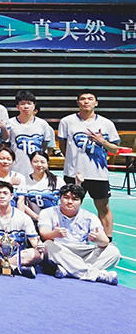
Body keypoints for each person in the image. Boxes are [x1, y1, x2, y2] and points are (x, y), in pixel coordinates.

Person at [57, 91, 121, 234]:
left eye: (90, 99)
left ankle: (107, 239)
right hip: (74, 173)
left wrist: (102, 141)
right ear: (78, 102)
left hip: (98, 174)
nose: (86, 101)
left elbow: (115, 149)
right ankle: (68, 237)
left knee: (103, 207)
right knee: (68, 207)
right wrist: (72, 161)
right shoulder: (67, 121)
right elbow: (63, 145)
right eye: (83, 99)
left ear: (96, 103)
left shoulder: (106, 123)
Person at [38, 183, 120, 285]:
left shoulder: (90, 217)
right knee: (48, 245)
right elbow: (44, 234)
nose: (70, 202)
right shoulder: (47, 213)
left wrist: (99, 239)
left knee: (113, 251)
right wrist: (54, 234)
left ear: (81, 202)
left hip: (82, 250)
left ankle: (69, 270)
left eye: (75, 199)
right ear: (60, 198)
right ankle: (94, 274)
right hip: (60, 249)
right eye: (66, 198)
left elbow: (105, 241)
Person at [2, 90, 56, 177]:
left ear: (34, 106)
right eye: (22, 104)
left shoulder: (43, 124)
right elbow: (7, 146)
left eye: (29, 103)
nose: (26, 106)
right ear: (17, 106)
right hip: (16, 168)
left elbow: (45, 146)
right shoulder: (10, 123)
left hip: (37, 169)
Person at [18, 151, 60, 222]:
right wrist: (36, 217)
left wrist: (78, 183)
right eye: (35, 161)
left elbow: (68, 198)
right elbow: (22, 203)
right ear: (30, 163)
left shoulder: (57, 180)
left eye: (42, 162)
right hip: (33, 220)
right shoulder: (24, 180)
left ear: (47, 163)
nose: (39, 165)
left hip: (54, 219)